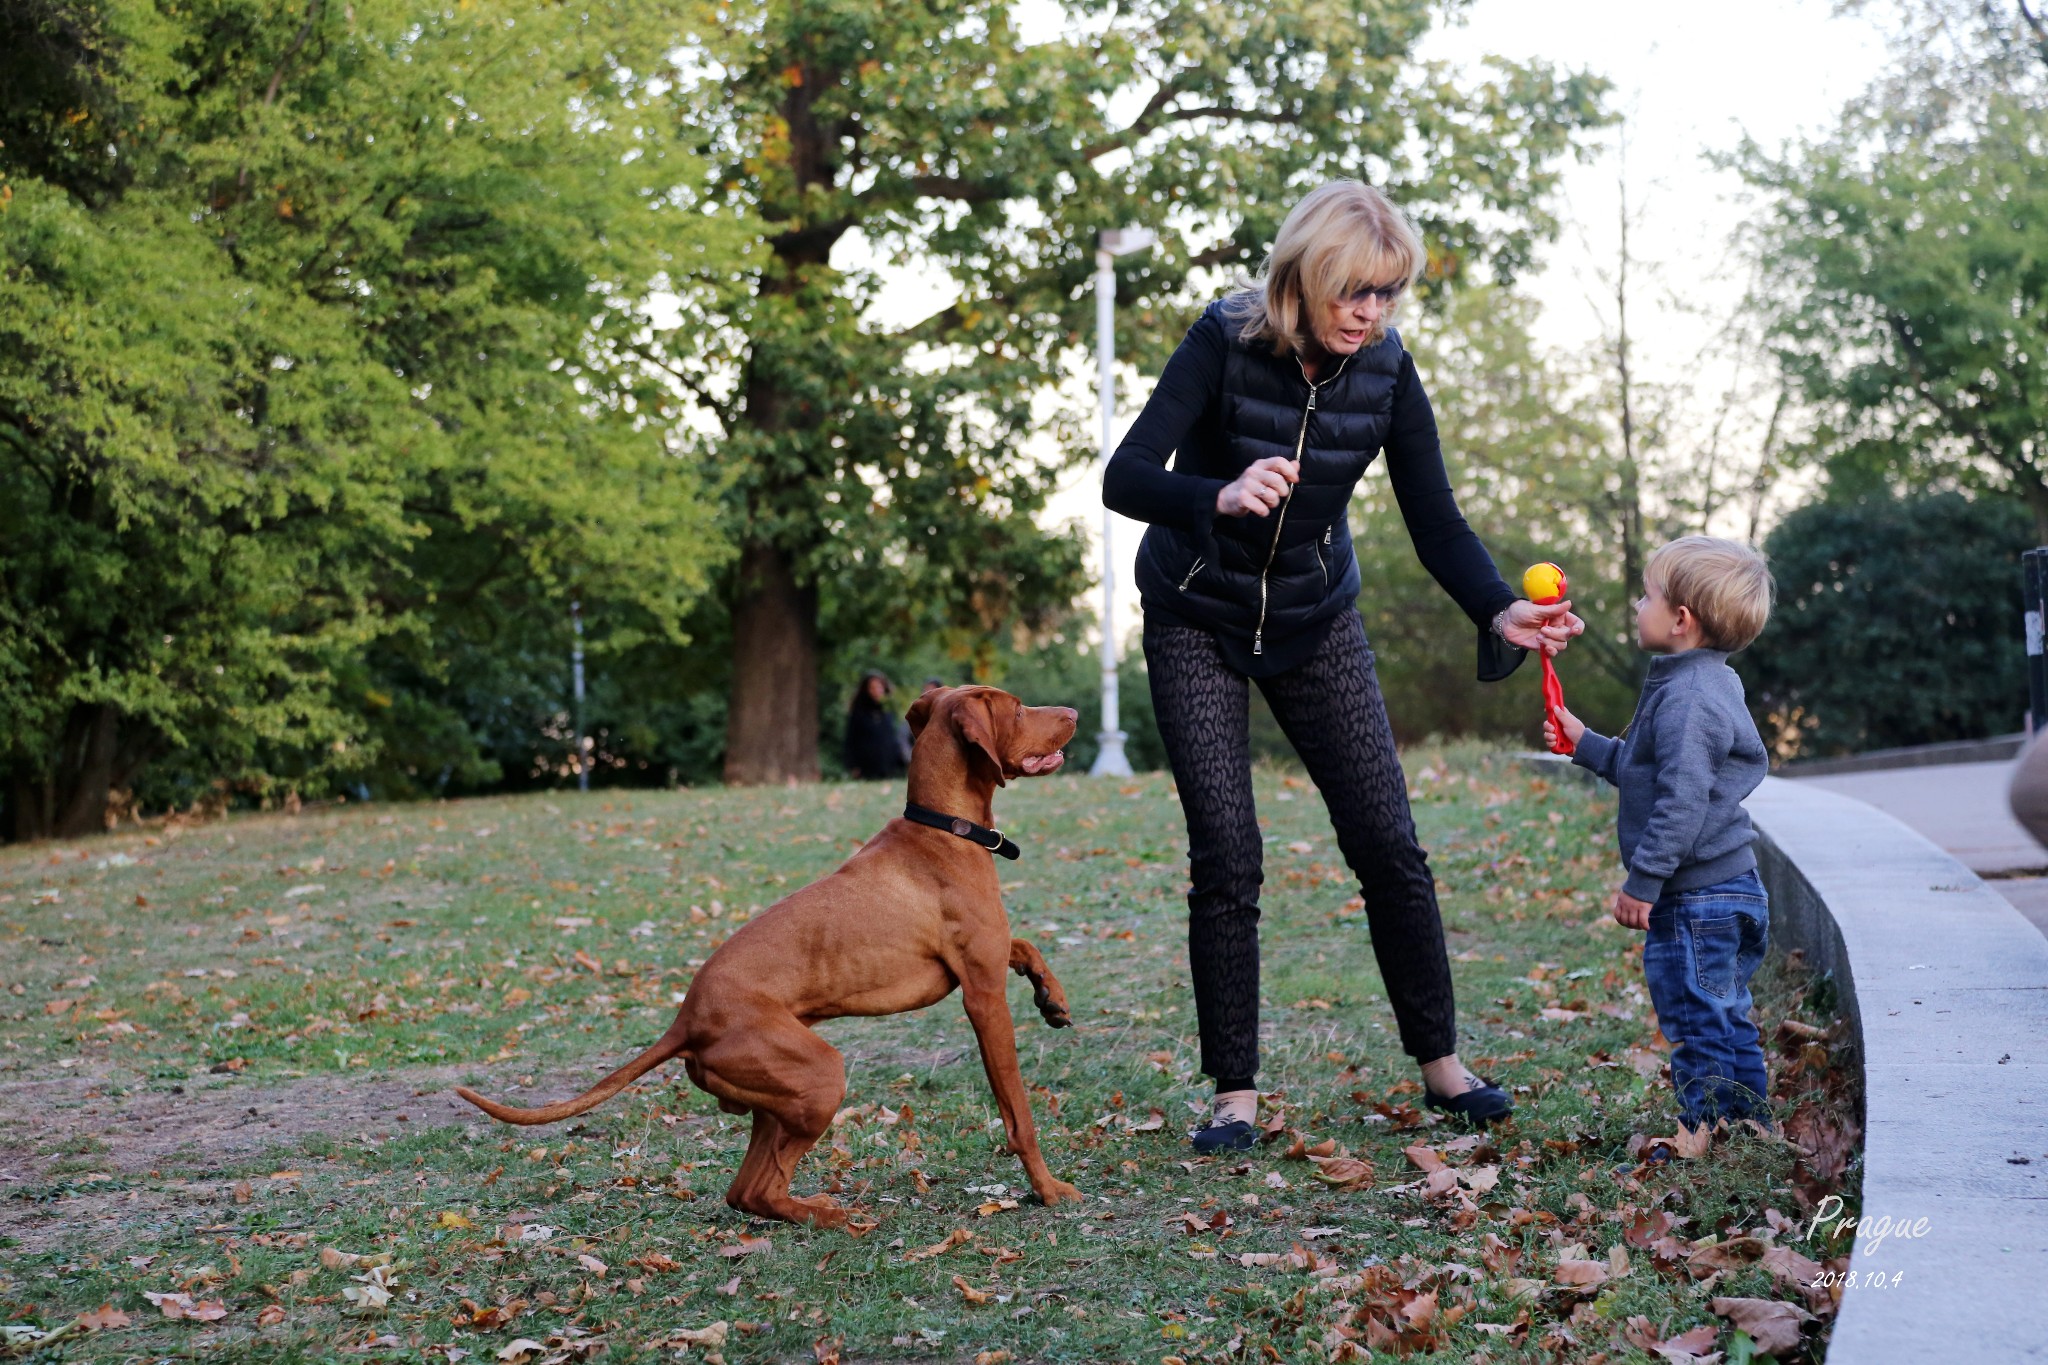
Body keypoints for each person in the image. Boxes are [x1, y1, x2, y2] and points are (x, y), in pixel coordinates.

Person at [1102, 180, 1583, 1151]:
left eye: (1388, 294)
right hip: (1195, 612)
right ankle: (1233, 1093)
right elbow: (1125, 477)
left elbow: (1434, 518)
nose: (1371, 313)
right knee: (1227, 856)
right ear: (1306, 279)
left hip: (1317, 617)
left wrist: (1500, 609)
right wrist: (1219, 490)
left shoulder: (1387, 370)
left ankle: (1442, 1066)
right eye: (1354, 293)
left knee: (1388, 843)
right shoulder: (1220, 340)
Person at [1546, 536, 1777, 1133]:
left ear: (1681, 620)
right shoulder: (1703, 681)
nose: (1636, 607)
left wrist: (1643, 883)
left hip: (1695, 897)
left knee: (1696, 1020)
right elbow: (1652, 770)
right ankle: (1749, 1126)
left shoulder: (1688, 698)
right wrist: (1586, 744)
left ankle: (1704, 1132)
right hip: (1729, 886)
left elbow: (1681, 801)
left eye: (1646, 596)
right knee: (1726, 1013)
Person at [843, 672, 911, 780]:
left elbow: (893, 738)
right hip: (866, 768)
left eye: (879, 687)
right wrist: (853, 765)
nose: (876, 691)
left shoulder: (889, 709)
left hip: (889, 767)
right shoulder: (858, 712)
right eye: (872, 687)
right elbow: (851, 740)